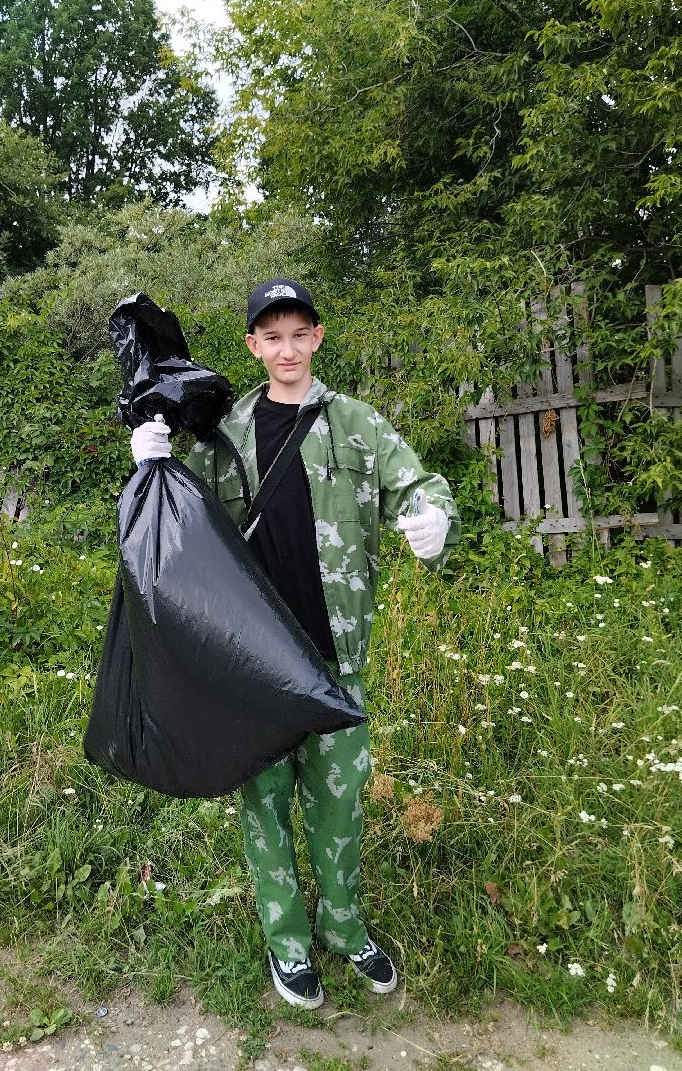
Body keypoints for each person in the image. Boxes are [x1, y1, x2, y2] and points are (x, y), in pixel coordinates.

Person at [131, 279, 460, 1010]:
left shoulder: (356, 425)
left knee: (339, 807)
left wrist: (434, 519)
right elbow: (180, 527)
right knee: (266, 806)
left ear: (316, 337)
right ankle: (287, 942)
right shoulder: (225, 433)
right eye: (270, 335)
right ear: (253, 345)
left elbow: (421, 484)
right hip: (255, 663)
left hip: (336, 662)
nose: (286, 347)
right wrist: (150, 462)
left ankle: (345, 930)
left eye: (297, 333)